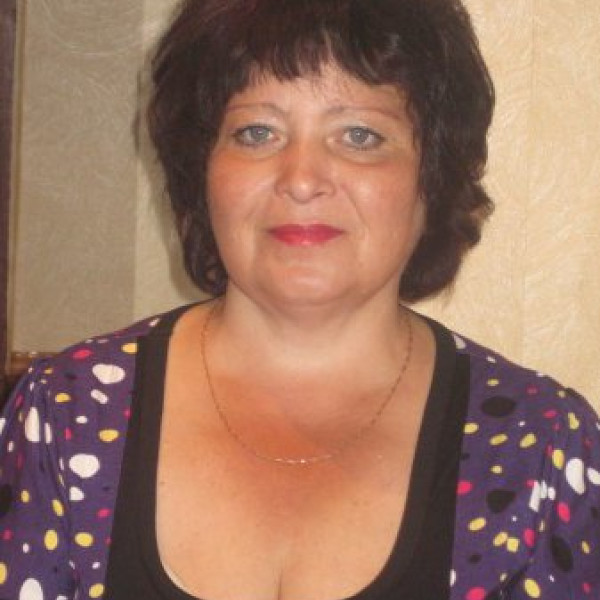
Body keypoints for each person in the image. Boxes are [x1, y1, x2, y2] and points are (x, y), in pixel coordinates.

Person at [1, 0, 599, 598]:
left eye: (359, 135)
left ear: (433, 174)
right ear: (202, 170)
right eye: (257, 132)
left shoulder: (541, 448)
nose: (302, 178)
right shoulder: (66, 414)